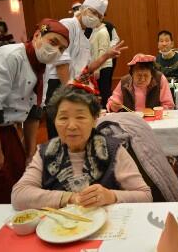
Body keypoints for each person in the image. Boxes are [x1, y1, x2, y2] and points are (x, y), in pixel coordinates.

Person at [11, 84, 152, 210]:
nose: (71, 126)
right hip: (59, 231)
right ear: (54, 121)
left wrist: (112, 196)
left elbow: (145, 196)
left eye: (80, 117)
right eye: (63, 118)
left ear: (94, 120)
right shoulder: (45, 152)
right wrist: (69, 198)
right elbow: (19, 195)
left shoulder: (113, 150)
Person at [0, 18, 69, 203]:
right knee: (0, 184)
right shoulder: (11, 56)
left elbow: (34, 113)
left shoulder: (41, 67)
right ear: (37, 36)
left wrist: (30, 152)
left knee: (20, 179)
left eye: (61, 49)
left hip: (9, 130)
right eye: (53, 42)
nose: (56, 50)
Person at [44, 0, 126, 139]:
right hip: (59, 86)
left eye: (100, 16)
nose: (97, 18)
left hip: (71, 87)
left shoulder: (84, 38)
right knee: (59, 136)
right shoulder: (67, 24)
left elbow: (86, 70)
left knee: (73, 135)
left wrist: (107, 55)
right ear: (84, 9)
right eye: (94, 13)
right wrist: (68, 92)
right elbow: (61, 63)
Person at [107, 53, 174, 112]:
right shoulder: (125, 81)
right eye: (139, 75)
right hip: (131, 121)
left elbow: (168, 104)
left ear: (152, 74)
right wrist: (113, 106)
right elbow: (113, 101)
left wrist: (158, 112)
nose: (142, 79)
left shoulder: (160, 79)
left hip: (156, 120)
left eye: (146, 75)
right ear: (132, 74)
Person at [89, 20, 113, 109]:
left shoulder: (103, 32)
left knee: (104, 92)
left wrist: (97, 69)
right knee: (101, 92)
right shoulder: (95, 31)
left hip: (103, 66)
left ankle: (108, 111)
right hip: (98, 65)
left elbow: (102, 51)